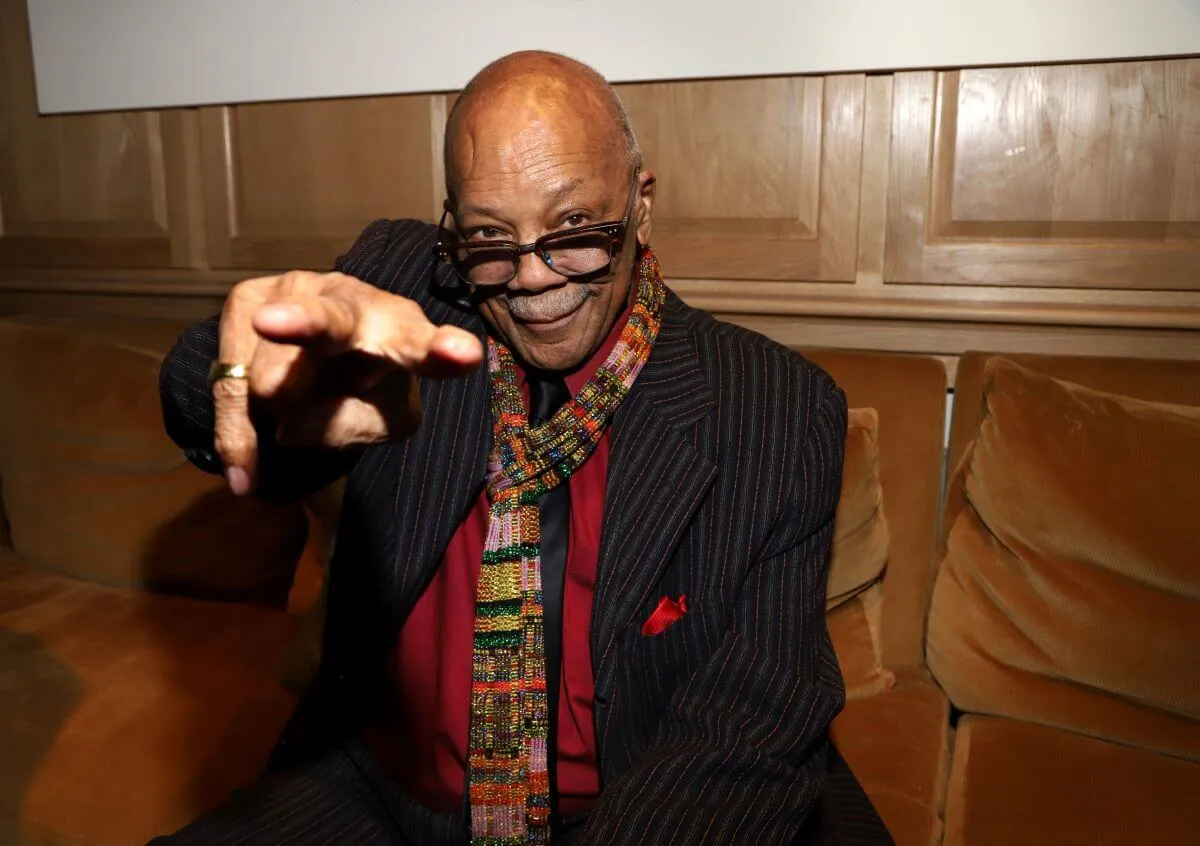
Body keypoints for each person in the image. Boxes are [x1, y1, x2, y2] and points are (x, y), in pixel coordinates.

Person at [155, 51, 891, 845]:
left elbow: (738, 741)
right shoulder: (406, 289)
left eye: (576, 229)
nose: (533, 277)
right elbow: (215, 390)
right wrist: (246, 376)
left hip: (631, 810)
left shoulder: (775, 410)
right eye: (490, 238)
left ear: (641, 206)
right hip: (374, 789)